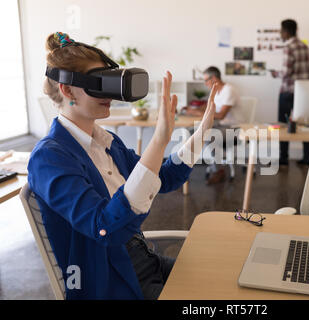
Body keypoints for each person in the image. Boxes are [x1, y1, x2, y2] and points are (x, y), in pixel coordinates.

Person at [27, 32, 218, 300]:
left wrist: (201, 134)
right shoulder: (49, 158)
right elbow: (105, 228)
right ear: (67, 90)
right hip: (110, 282)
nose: (109, 94)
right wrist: (159, 140)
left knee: (219, 282)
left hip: (143, 260)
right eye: (99, 83)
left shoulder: (107, 141)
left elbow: (162, 176)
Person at [183, 66, 239, 184]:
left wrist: (196, 112)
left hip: (233, 129)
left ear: (213, 78)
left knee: (209, 134)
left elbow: (221, 115)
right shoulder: (216, 92)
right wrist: (194, 108)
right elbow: (208, 106)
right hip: (219, 126)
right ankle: (182, 168)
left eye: (206, 80)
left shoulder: (229, 90)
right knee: (189, 131)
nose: (205, 83)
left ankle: (218, 171)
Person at [270, 19, 309, 166]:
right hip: (303, 92)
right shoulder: (305, 47)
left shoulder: (288, 47)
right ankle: (307, 156)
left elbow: (286, 72)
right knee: (304, 124)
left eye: (281, 31)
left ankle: (284, 157)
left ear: (286, 32)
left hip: (288, 91)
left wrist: (275, 73)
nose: (280, 33)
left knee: (283, 124)